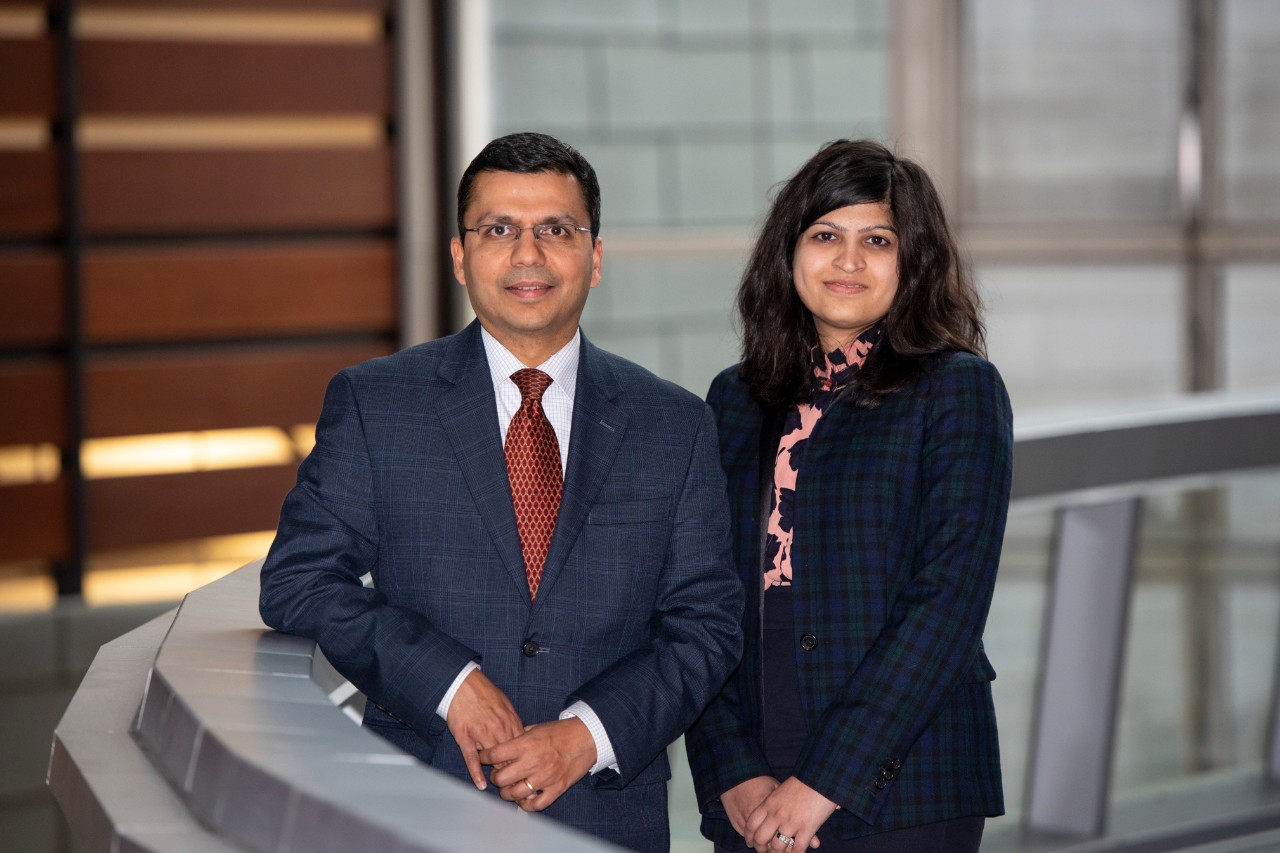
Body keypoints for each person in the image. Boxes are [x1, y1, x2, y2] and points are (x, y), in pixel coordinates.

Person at [259, 131, 743, 852]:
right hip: (419, 807)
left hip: (604, 814)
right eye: (498, 229)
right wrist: (449, 681)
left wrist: (589, 734)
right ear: (460, 256)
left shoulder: (674, 423)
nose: (528, 254)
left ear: (595, 257)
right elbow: (299, 580)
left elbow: (708, 626)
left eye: (556, 229)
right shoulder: (376, 402)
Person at [684, 139, 1013, 853]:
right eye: (826, 235)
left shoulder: (958, 390)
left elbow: (947, 601)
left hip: (904, 775)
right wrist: (729, 769)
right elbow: (697, 595)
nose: (848, 261)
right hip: (753, 774)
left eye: (878, 240)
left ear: (914, 260)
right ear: (789, 251)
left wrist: (826, 779)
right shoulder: (732, 399)